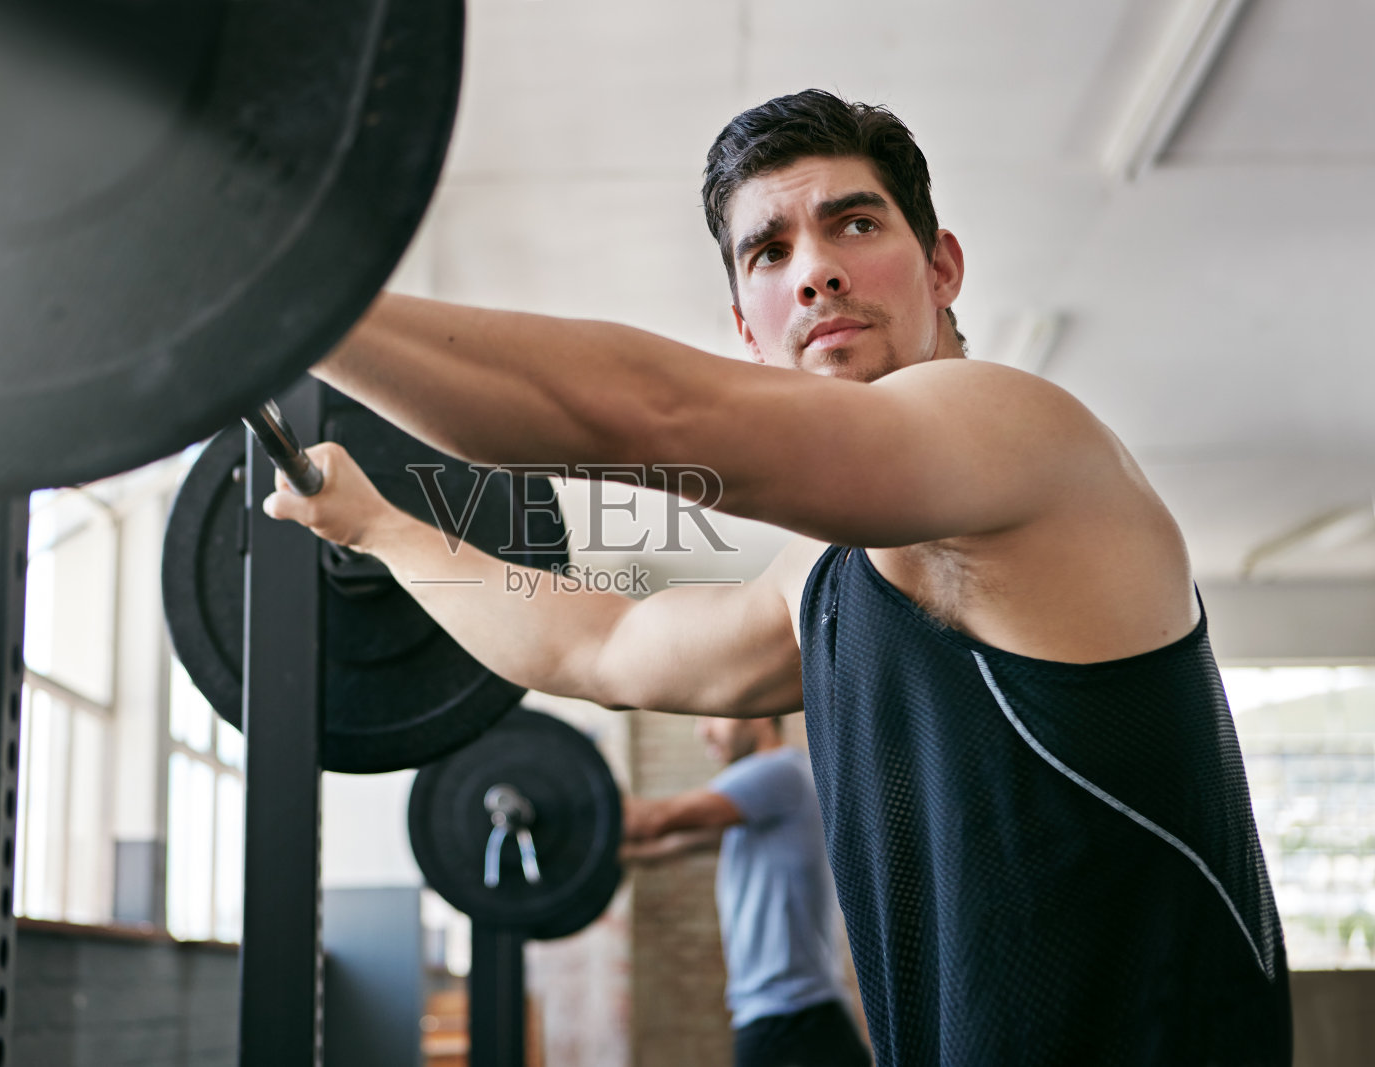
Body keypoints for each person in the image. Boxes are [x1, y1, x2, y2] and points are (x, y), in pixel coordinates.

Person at [265, 90, 1292, 1063]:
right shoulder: (819, 579)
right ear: (746, 328)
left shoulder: (1022, 435)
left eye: (855, 225)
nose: (816, 272)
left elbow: (651, 414)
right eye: (771, 250)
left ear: (940, 267)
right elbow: (598, 647)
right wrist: (382, 530)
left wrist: (278, 299)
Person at [623, 714, 870, 1067]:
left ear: (759, 714)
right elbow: (651, 848)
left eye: (713, 715)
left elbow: (649, 821)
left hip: (793, 1018)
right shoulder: (760, 802)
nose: (703, 730)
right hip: (792, 1016)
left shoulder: (777, 772)